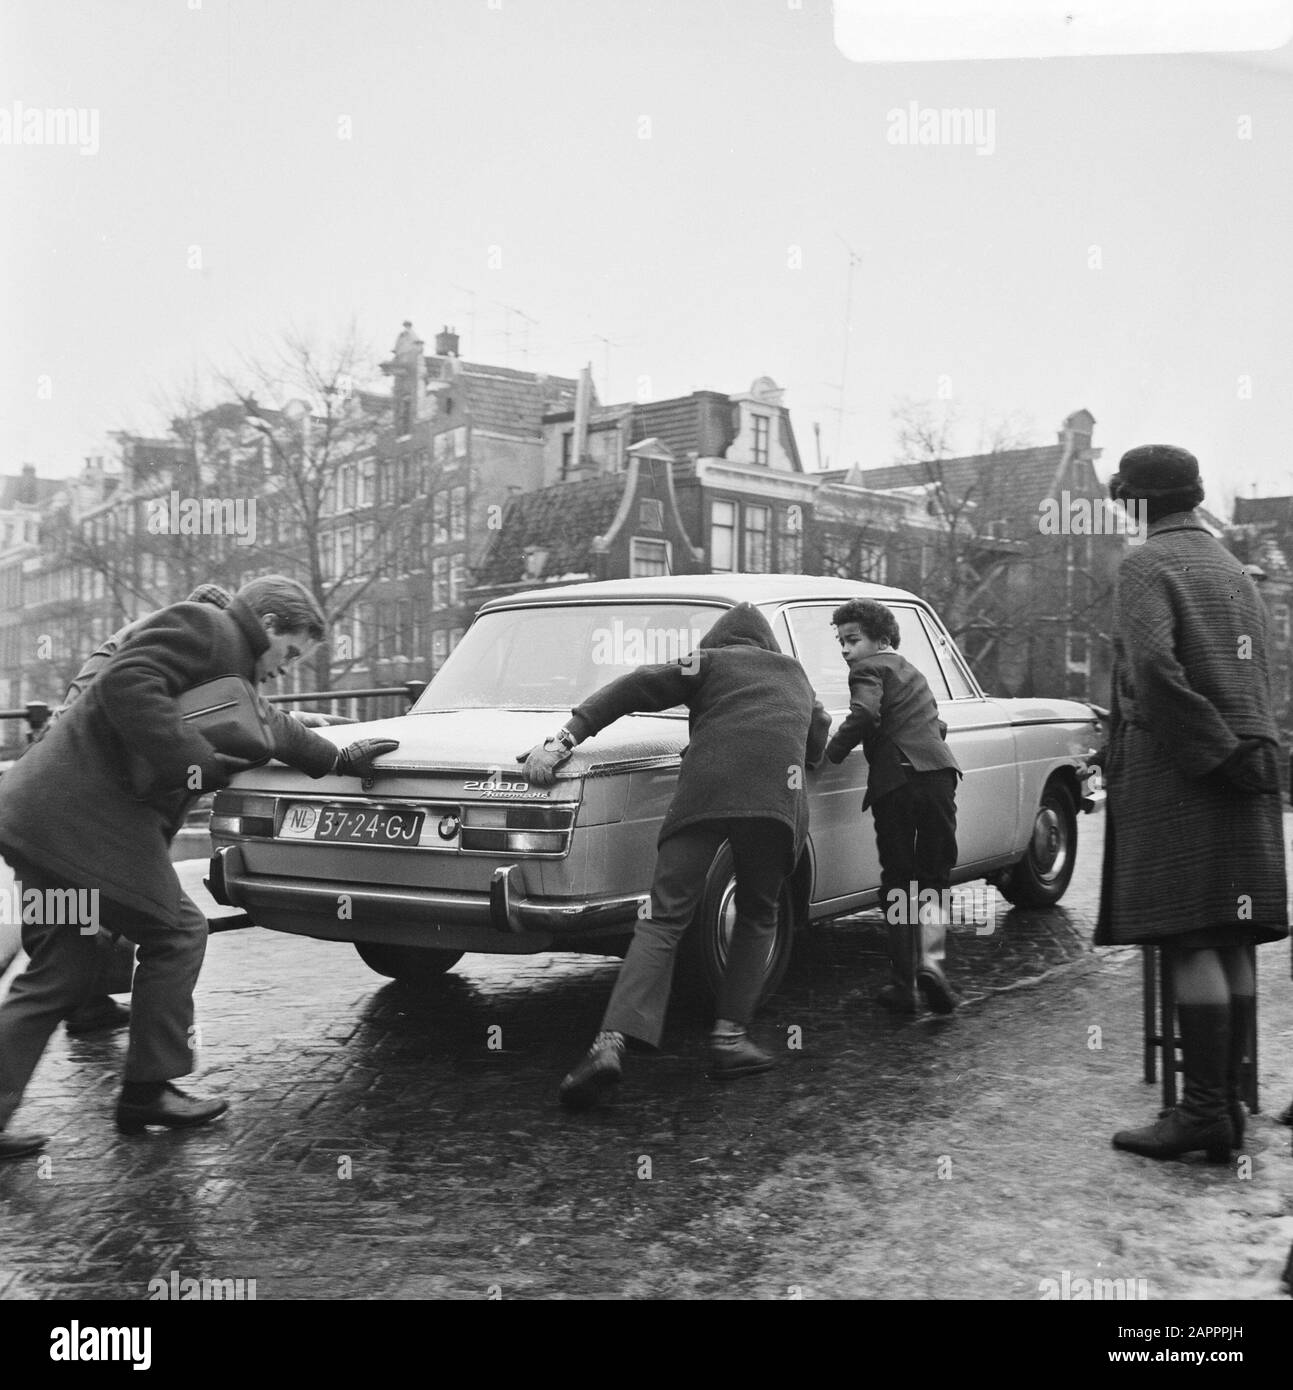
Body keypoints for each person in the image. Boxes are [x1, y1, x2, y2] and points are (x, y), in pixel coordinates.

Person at [0, 575, 399, 1161]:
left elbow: (268, 722)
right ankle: (148, 1090)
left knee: (62, 971)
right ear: (267, 626)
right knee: (177, 931)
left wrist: (336, 757)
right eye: (289, 653)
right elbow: (127, 682)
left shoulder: (228, 659)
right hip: (81, 821)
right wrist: (198, 763)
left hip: (38, 818)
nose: (286, 670)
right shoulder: (205, 627)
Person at [519, 603, 830, 1110]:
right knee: (758, 915)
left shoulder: (708, 662)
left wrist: (564, 738)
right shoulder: (795, 674)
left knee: (662, 919)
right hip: (777, 803)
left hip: (706, 794)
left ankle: (609, 1045)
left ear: (718, 641)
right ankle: (730, 1041)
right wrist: (804, 753)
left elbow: (636, 684)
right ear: (767, 646)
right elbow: (819, 732)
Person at [1095, 446, 1289, 1162]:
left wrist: (1209, 751)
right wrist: (1243, 751)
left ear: (1134, 500)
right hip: (1250, 769)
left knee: (1189, 936)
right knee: (1228, 932)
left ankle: (1203, 1111)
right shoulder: (1232, 567)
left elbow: (1151, 668)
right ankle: (1225, 1103)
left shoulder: (1148, 563)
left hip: (1187, 771)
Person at [39, 583, 235, 1036]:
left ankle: (87, 1001)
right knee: (164, 917)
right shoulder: (174, 643)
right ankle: (147, 1057)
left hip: (75, 769)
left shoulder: (145, 633)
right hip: (99, 780)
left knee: (88, 897)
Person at [824, 598, 962, 1015]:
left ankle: (904, 984)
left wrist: (830, 752)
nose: (846, 650)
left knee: (899, 883)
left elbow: (865, 713)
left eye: (853, 640)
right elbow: (937, 725)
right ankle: (933, 966)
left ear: (881, 641)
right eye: (841, 643)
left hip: (897, 784)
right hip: (940, 778)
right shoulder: (915, 672)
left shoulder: (867, 670)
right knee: (935, 879)